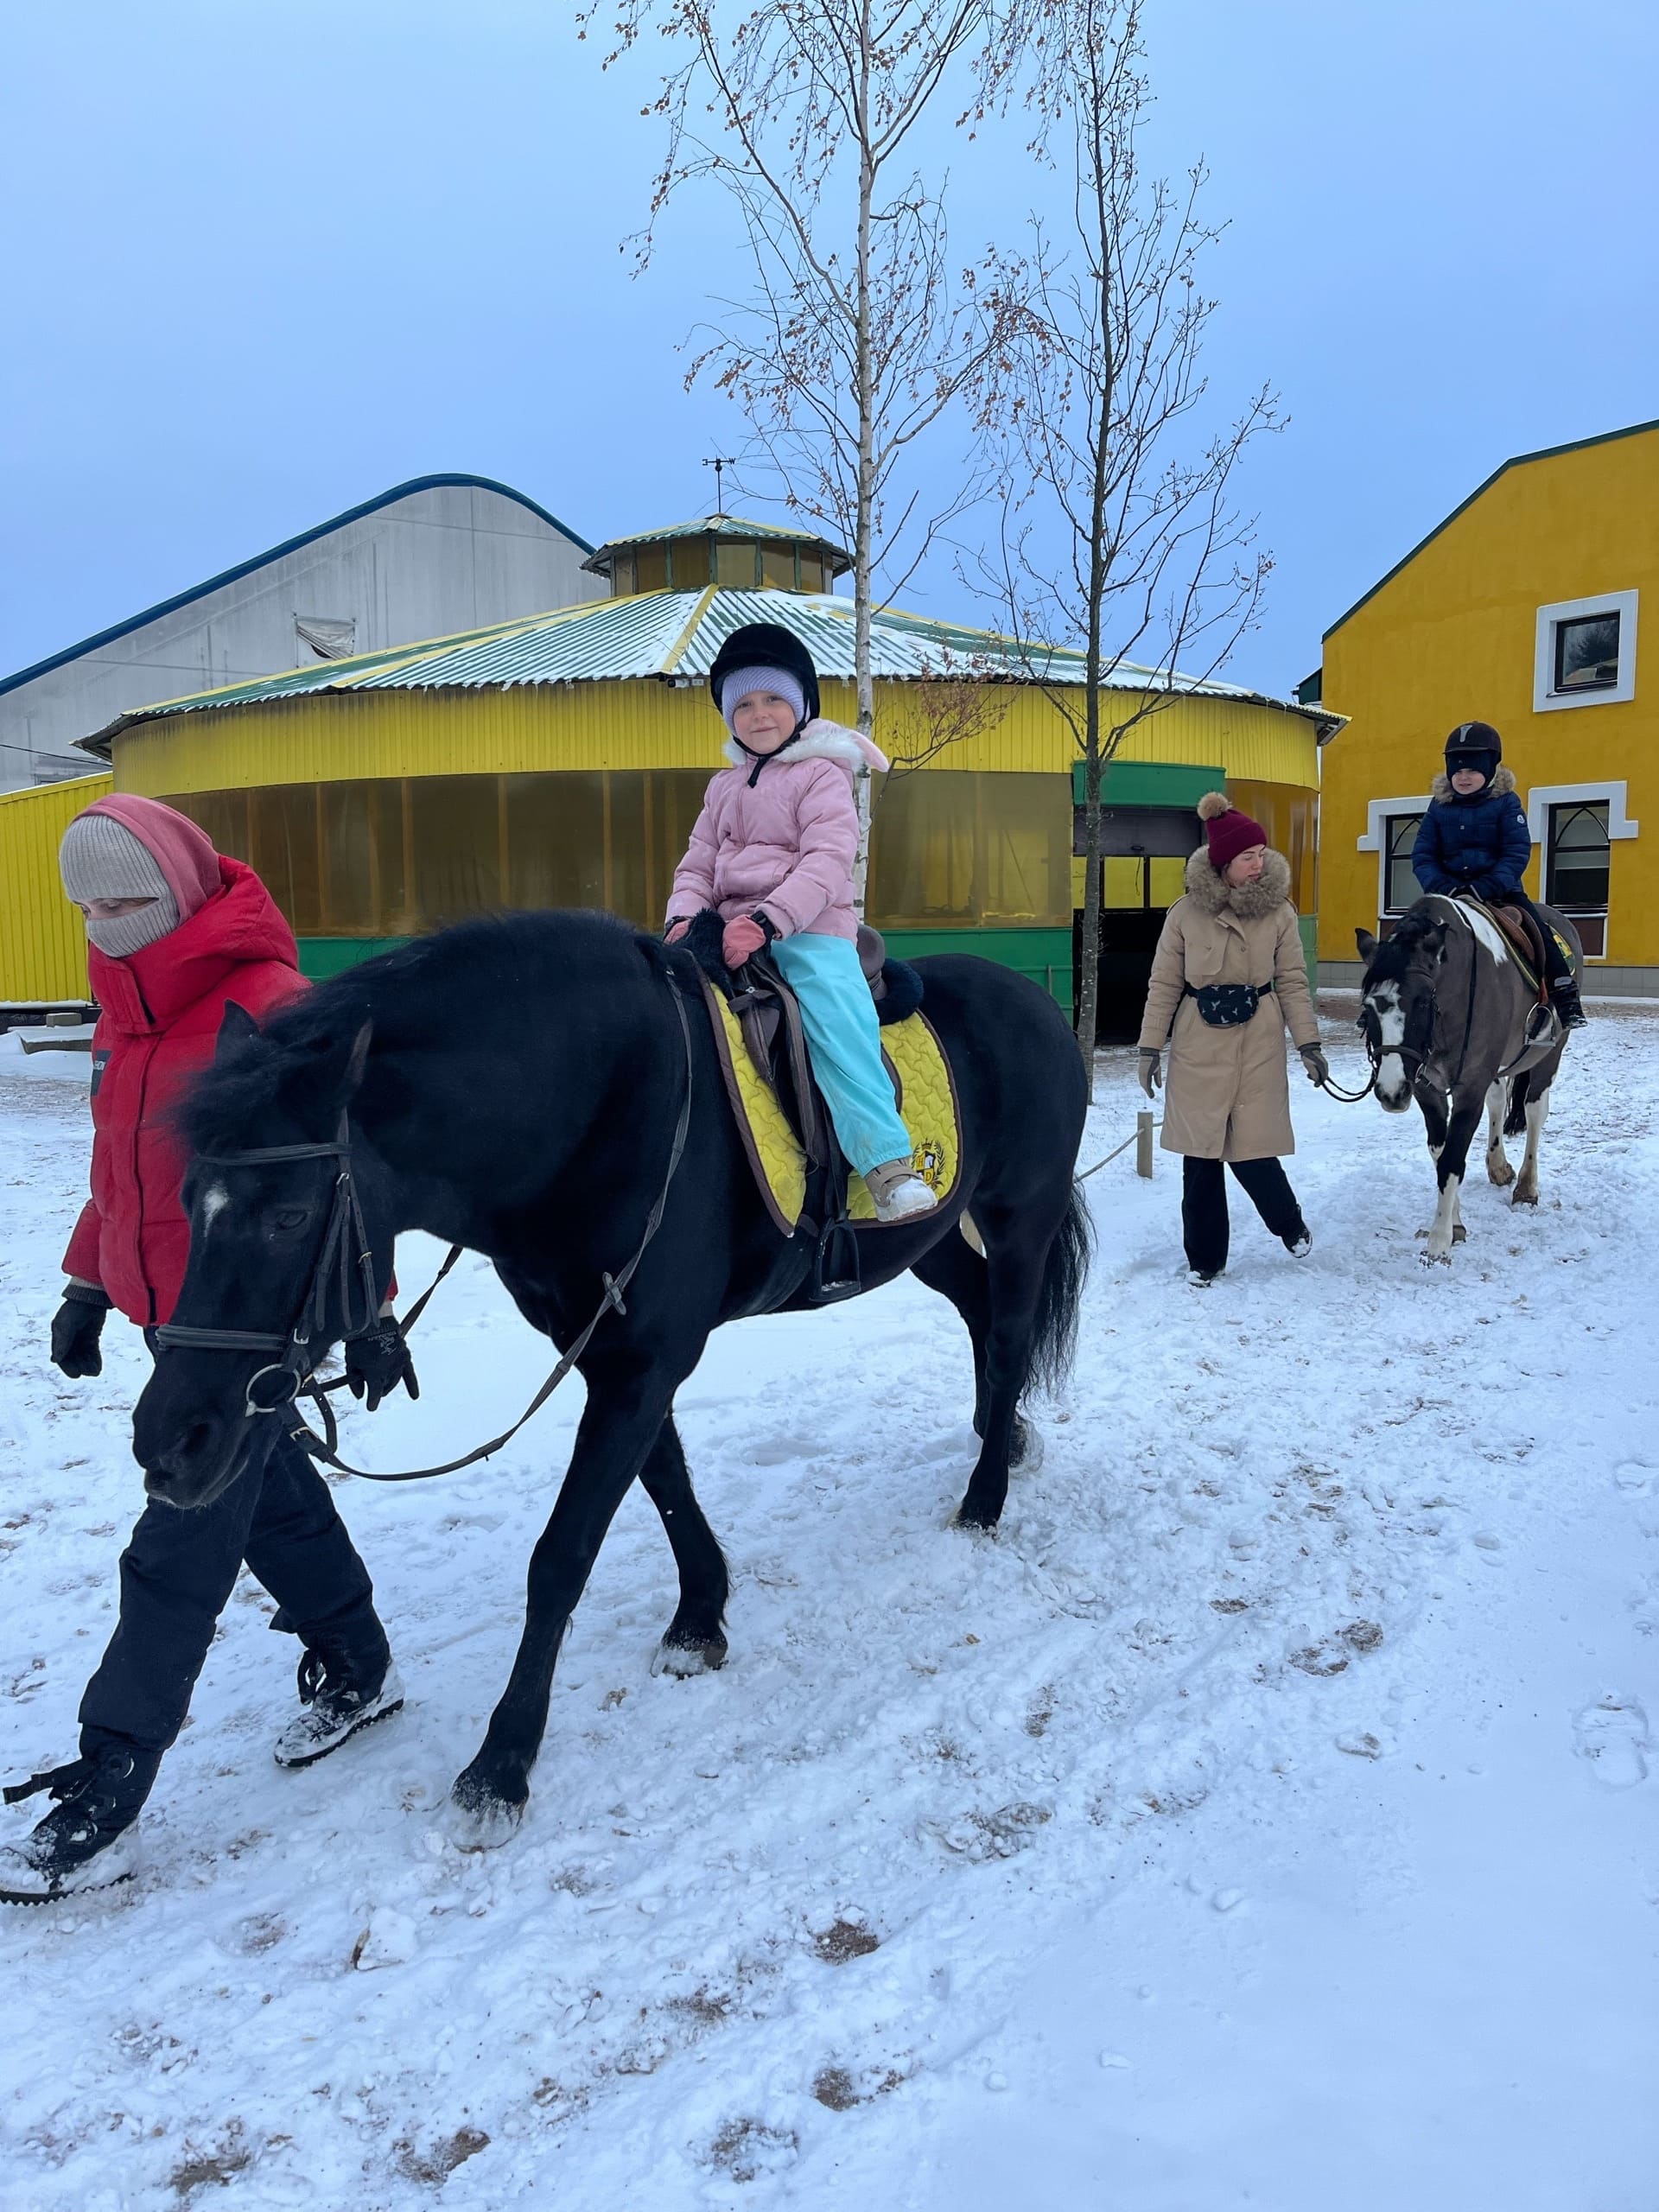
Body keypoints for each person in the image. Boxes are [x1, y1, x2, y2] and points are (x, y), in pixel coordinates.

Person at [0, 797, 414, 1904]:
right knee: (262, 1489)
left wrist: (369, 1313)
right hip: (167, 1321)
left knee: (182, 1524)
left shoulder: (272, 1007)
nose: (105, 920)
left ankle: (112, 1771)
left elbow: (340, 1184)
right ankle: (360, 1662)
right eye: (86, 903)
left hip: (248, 1327)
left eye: (127, 899)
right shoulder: (121, 1012)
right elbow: (116, 1173)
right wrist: (89, 1282)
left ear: (181, 891)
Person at [664, 622, 937, 1223]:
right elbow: (697, 864)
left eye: (774, 700)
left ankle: (886, 1163)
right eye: (744, 703)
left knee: (834, 1017)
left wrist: (768, 920)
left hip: (808, 929)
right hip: (725, 931)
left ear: (802, 705)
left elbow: (827, 859)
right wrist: (684, 920)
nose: (759, 714)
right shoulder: (724, 786)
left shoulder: (821, 775)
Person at [1137, 792, 1328, 1287]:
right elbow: (1163, 983)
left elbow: (1292, 982)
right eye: (1248, 856)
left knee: (1252, 1147)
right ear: (1223, 862)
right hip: (1199, 1043)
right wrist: (1148, 1048)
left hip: (1258, 1041)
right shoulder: (1183, 914)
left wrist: (1309, 1045)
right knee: (1200, 1157)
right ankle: (1205, 1260)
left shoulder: (1280, 913)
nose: (1258, 862)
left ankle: (1289, 1225)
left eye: (1262, 854)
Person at [1411, 721, 1586, 1027]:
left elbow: (1516, 852)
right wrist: (1444, 887)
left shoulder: (1507, 803)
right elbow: (1423, 855)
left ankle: (1564, 993)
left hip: (1500, 891)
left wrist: (1485, 886)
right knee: (1406, 937)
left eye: (1473, 770)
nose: (1464, 777)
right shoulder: (1438, 807)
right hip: (1447, 893)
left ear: (1490, 770)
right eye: (1458, 771)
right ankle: (1387, 999)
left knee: (1539, 933)